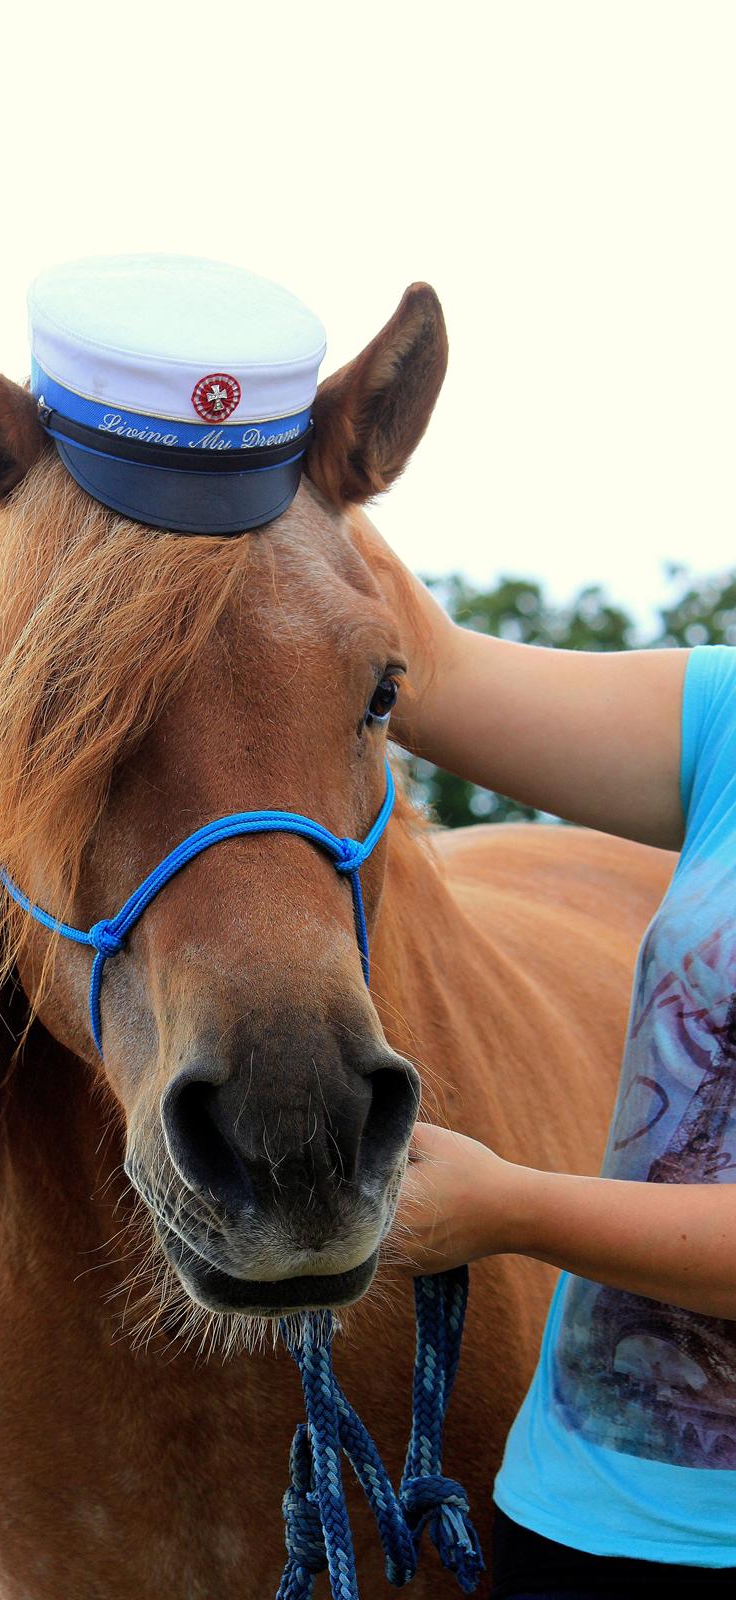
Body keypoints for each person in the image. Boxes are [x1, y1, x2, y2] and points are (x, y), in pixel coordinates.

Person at [382, 559, 736, 1597]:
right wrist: (253, 444)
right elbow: (418, 670)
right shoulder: (723, 715)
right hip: (564, 1517)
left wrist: (509, 1210)